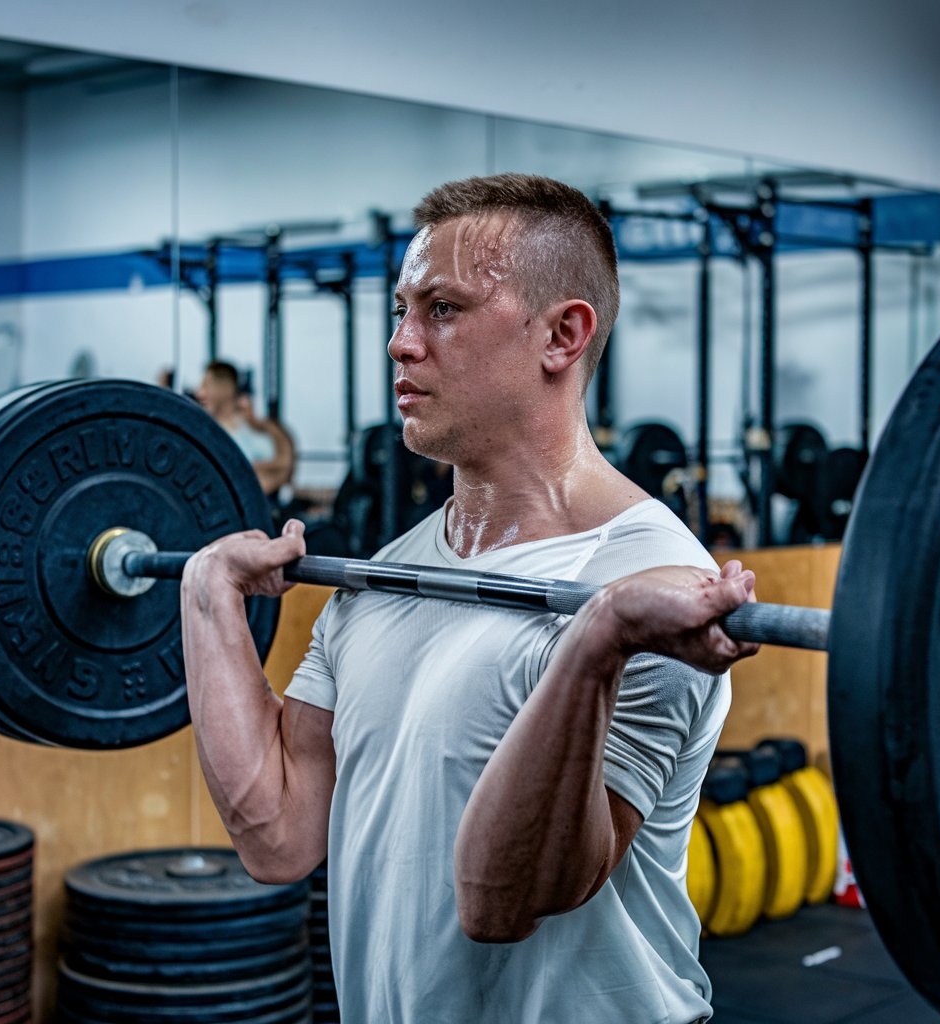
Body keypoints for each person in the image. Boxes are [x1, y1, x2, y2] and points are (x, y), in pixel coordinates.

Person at [181, 174, 758, 1024]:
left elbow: (503, 902)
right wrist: (206, 599)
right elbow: (277, 833)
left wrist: (600, 638)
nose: (401, 345)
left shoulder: (655, 581)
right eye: (399, 311)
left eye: (442, 309)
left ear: (563, 335)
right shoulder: (385, 577)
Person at [194, 360, 295, 497]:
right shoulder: (202, 432)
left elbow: (284, 464)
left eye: (206, 385)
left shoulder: (249, 430)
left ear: (225, 389)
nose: (199, 393)